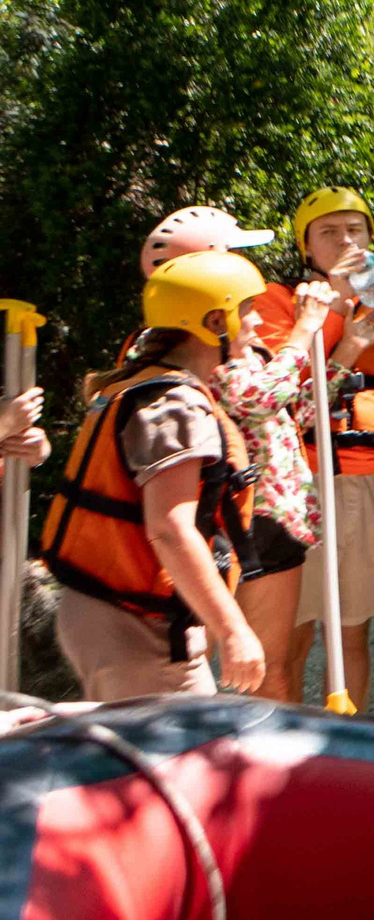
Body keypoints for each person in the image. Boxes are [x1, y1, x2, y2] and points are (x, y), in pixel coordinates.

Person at [40, 252, 269, 699]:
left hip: (117, 614)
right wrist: (233, 629)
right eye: (247, 310)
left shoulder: (145, 384)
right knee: (174, 764)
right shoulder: (174, 405)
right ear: (214, 322)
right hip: (132, 625)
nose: (258, 321)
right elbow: (170, 529)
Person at [140, 206, 327, 705]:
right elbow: (260, 398)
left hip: (266, 514)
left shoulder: (212, 346)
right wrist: (305, 330)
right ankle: (268, 777)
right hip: (251, 518)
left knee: (278, 664)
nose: (257, 299)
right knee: (268, 674)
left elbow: (284, 413)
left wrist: (347, 349)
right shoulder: (200, 353)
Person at [254, 188, 374, 712]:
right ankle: (280, 728)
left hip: (373, 475)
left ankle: (345, 735)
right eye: (329, 232)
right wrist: (343, 326)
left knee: (351, 633)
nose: (346, 241)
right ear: (306, 248)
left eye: (355, 230)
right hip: (299, 481)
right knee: (290, 634)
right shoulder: (278, 302)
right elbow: (279, 395)